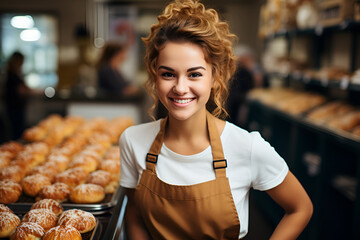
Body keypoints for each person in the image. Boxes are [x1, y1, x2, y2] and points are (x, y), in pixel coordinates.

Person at [119, 0, 313, 239]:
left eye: (194, 74)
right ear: (154, 76)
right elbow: (135, 212)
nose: (180, 87)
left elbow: (300, 208)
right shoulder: (133, 141)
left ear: (214, 77)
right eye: (168, 74)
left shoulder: (247, 147)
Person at [4, 51, 31, 140]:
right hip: (14, 107)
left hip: (15, 107)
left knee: (16, 130)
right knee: (16, 131)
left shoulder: (14, 73)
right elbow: (21, 90)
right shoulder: (12, 75)